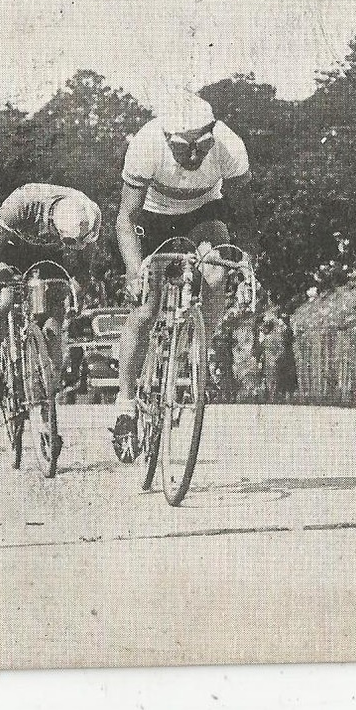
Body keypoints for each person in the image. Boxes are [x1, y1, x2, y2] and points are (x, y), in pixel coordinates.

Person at [110, 91, 254, 461]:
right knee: (145, 308)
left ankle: (196, 348)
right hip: (154, 219)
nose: (193, 155)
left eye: (202, 144)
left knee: (218, 274)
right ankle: (125, 404)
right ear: (165, 136)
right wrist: (133, 271)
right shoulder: (145, 146)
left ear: (213, 132)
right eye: (182, 146)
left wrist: (245, 258)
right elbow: (126, 217)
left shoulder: (230, 146)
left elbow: (245, 211)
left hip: (203, 213)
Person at [0, 184, 102, 416]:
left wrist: (73, 300)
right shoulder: (22, 204)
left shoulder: (88, 214)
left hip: (48, 255)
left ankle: (46, 391)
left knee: (54, 318)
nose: (76, 247)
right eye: (71, 243)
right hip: (7, 246)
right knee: (3, 301)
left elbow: (83, 269)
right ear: (53, 222)